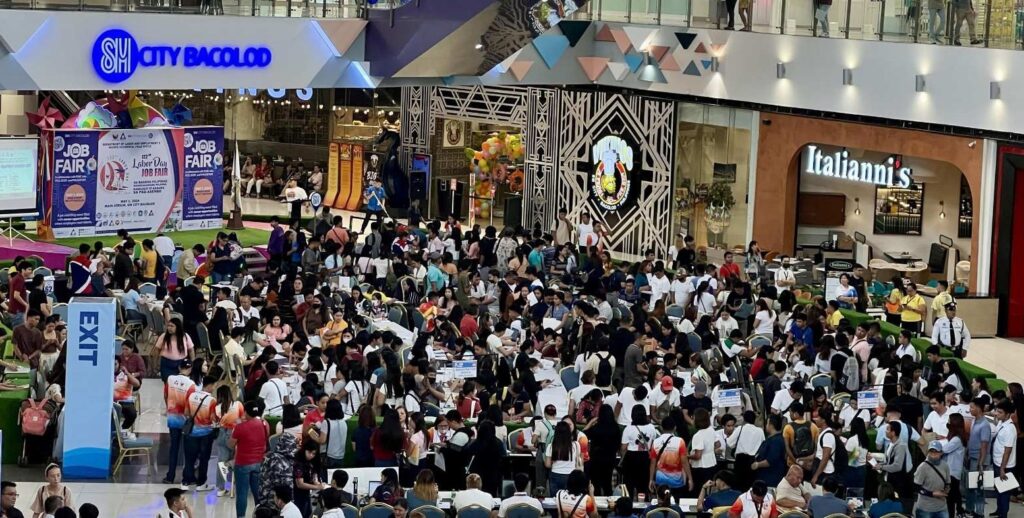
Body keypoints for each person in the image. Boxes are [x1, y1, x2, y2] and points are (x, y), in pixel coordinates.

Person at [230, 399, 269, 518]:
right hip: (258, 462)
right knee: (257, 492)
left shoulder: (240, 427)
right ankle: (261, 514)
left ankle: (241, 516)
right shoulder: (263, 424)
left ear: (246, 412)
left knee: (242, 493)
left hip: (243, 463)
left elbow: (231, 444)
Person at [163, 359, 197, 484]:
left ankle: (170, 476)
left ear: (179, 368)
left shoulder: (170, 379)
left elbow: (166, 396)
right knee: (187, 450)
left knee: (174, 447)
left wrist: (169, 408)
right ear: (190, 369)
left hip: (172, 418)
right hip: (185, 421)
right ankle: (187, 477)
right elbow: (191, 404)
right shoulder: (191, 385)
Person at [649, 417, 694, 497]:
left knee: (662, 501)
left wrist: (651, 479)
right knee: (676, 501)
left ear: (661, 428)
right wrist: (690, 479)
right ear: (675, 428)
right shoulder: (680, 441)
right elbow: (684, 462)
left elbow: (653, 463)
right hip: (676, 480)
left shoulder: (656, 442)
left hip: (660, 480)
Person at [965, 397, 991, 518]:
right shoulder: (974, 421)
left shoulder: (985, 425)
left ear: (979, 408)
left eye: (972, 407)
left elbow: (984, 445)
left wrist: (981, 463)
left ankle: (979, 512)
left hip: (979, 459)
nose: (969, 409)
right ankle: (969, 509)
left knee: (979, 487)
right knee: (971, 486)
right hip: (972, 457)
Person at [993, 399, 1017, 518]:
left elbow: (1008, 451)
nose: (996, 414)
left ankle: (1003, 515)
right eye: (997, 411)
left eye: (1000, 412)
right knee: (998, 489)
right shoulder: (1001, 422)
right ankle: (999, 510)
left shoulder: (1010, 429)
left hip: (1004, 466)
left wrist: (1003, 469)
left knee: (1004, 492)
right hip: (997, 461)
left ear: (1007, 414)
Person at [914, 441, 951, 518]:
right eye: (931, 452)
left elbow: (948, 482)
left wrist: (947, 490)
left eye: (936, 452)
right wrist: (932, 494)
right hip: (925, 509)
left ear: (941, 453)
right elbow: (916, 488)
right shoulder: (922, 467)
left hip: (942, 508)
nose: (933, 454)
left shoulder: (945, 466)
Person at [751, 414, 788, 488]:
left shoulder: (776, 441)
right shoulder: (772, 439)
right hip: (764, 477)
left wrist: (757, 464)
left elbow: (771, 460)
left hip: (771, 479)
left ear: (771, 425)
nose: (766, 425)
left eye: (767, 423)